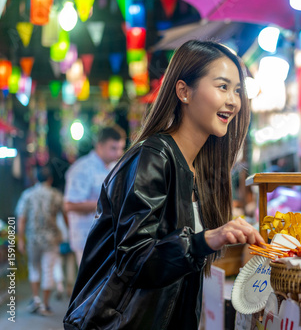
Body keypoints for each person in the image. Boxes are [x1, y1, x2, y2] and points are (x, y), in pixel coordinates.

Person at [63, 40, 264, 330]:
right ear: (183, 91)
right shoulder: (153, 156)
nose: (234, 101)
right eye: (222, 87)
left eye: (237, 90)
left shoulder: (201, 169)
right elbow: (135, 258)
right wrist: (206, 239)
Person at [64, 125, 126, 266]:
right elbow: (69, 205)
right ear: (100, 145)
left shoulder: (115, 167)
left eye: (121, 148)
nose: (118, 153)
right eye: (113, 148)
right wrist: (110, 203)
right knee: (91, 287)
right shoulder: (82, 168)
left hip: (110, 237)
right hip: (87, 238)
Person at [16, 166, 67, 316]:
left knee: (34, 269)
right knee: (48, 270)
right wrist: (69, 230)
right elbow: (65, 215)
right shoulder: (56, 195)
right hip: (51, 238)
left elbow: (21, 219)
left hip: (32, 238)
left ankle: (36, 300)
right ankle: (45, 305)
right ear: (50, 179)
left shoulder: (27, 195)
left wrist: (20, 239)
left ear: (36, 178)